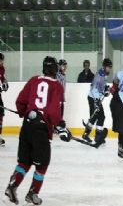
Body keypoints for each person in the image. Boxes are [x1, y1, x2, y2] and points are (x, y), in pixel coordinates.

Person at [4, 56, 71, 205]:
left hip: (27, 126)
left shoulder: (34, 80)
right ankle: (32, 194)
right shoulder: (56, 86)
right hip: (40, 129)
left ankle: (12, 186)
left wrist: (23, 112)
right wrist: (60, 126)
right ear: (54, 70)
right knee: (42, 164)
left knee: (24, 162)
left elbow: (20, 101)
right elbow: (53, 111)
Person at [81, 58, 112, 147]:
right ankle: (98, 137)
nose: (109, 69)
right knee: (101, 117)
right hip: (93, 98)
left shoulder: (103, 74)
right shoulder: (100, 75)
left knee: (94, 117)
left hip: (94, 98)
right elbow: (94, 88)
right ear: (104, 66)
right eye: (108, 67)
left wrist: (105, 89)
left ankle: (86, 134)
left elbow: (100, 87)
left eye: (110, 67)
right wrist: (97, 101)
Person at [0, 52, 8, 146]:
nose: (2, 62)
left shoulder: (2, 69)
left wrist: (5, 82)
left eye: (2, 60)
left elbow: (2, 78)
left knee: (1, 112)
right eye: (1, 60)